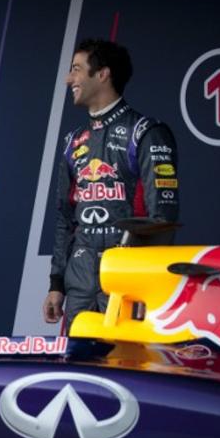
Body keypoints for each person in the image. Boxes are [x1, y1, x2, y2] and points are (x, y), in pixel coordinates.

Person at [43, 39, 179, 331]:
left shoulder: (145, 132)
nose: (69, 79)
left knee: (125, 359)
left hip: (127, 282)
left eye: (76, 69)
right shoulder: (72, 142)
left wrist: (142, 280)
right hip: (80, 283)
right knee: (77, 360)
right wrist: (56, 284)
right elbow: (65, 218)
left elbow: (162, 219)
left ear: (103, 74)